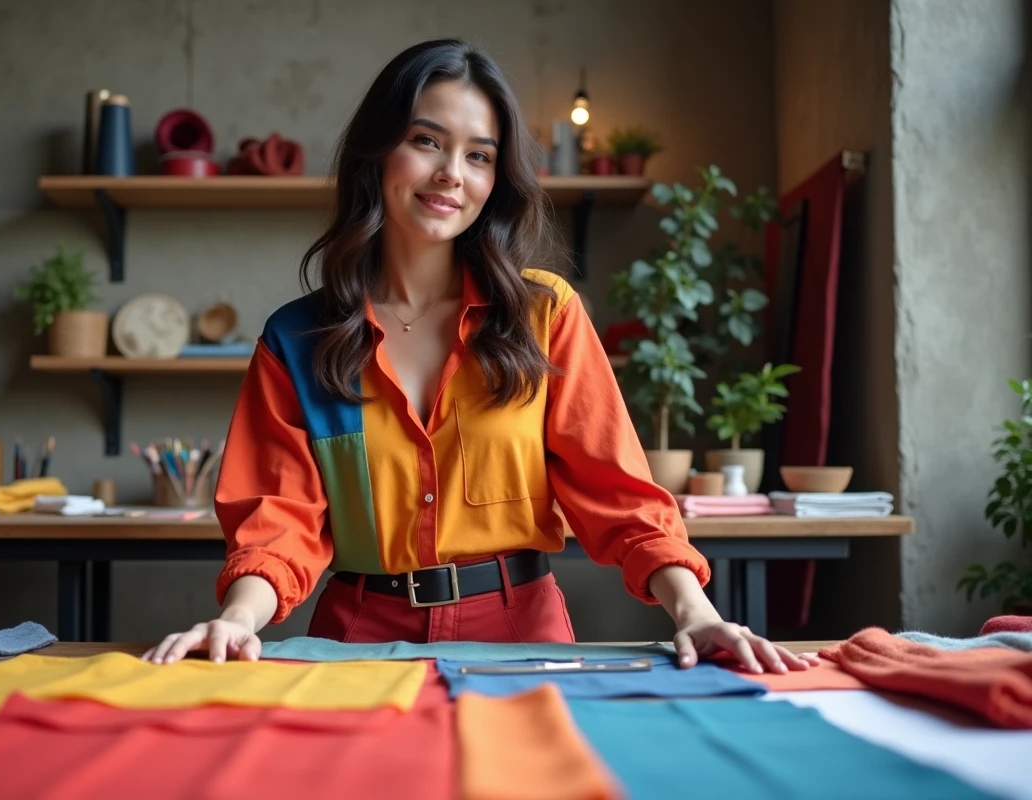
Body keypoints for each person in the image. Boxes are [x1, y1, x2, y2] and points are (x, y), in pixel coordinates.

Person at [144, 39, 816, 676]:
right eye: (426, 141)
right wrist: (238, 619)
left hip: (521, 636)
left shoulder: (543, 316)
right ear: (377, 153)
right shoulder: (299, 338)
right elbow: (279, 522)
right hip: (355, 640)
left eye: (479, 156)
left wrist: (695, 612)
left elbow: (620, 496)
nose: (450, 175)